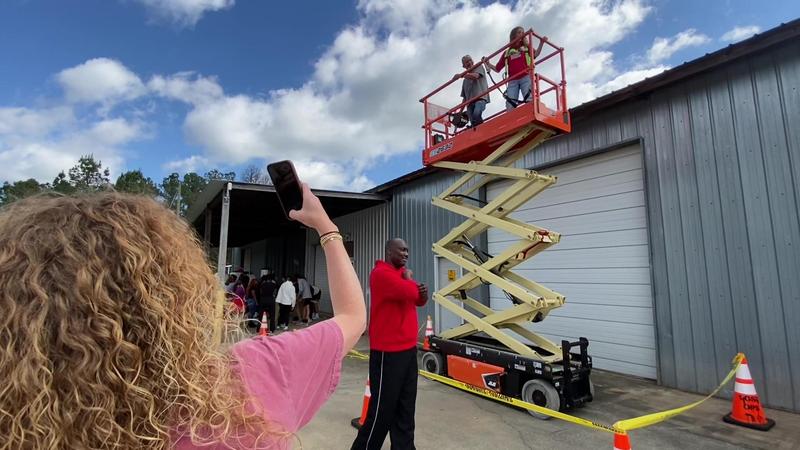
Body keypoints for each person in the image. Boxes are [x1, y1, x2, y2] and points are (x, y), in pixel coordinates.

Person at [0, 184, 366, 449]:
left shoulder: (25, 426)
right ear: (178, 292)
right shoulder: (248, 381)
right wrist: (325, 227)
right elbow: (351, 316)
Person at [351, 238, 428, 450]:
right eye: (401, 250)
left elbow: (421, 300)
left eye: (407, 250)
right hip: (388, 354)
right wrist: (410, 279)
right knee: (381, 413)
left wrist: (414, 286)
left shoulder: (400, 277)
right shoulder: (381, 274)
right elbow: (412, 292)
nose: (406, 253)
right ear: (388, 251)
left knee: (405, 409)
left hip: (408, 351)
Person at [483, 26, 547, 110]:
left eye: (523, 32)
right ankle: (510, 119)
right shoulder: (507, 52)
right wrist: (488, 64)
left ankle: (532, 112)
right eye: (519, 32)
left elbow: (535, 54)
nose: (522, 34)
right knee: (510, 105)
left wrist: (541, 43)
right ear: (514, 35)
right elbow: (497, 69)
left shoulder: (527, 47)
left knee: (530, 100)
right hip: (513, 80)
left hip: (526, 76)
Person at [454, 54, 490, 127]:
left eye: (470, 60)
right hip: (470, 103)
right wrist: (460, 112)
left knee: (476, 114)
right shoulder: (465, 81)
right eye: (467, 62)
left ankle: (478, 128)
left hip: (481, 98)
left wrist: (461, 75)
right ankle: (479, 130)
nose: (469, 63)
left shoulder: (479, 66)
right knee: (473, 121)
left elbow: (476, 76)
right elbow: (465, 98)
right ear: (464, 66)